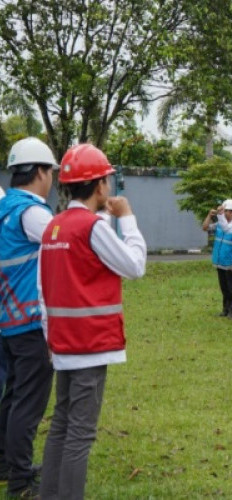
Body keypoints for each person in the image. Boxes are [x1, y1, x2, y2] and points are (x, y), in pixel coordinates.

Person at [39, 143, 146, 499]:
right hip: (89, 345)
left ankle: (49, 494)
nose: (110, 189)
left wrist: (50, 339)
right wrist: (127, 218)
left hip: (63, 344)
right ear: (99, 186)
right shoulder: (91, 228)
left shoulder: (54, 228)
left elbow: (43, 293)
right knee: (80, 434)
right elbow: (134, 266)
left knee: (61, 425)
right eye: (107, 182)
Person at [0, 137, 57, 498]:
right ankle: (20, 480)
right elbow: (67, 247)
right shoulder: (33, 213)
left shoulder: (6, 210)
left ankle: (6, 463)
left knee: (12, 396)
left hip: (8, 320)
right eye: (49, 171)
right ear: (40, 171)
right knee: (28, 403)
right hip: (31, 322)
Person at [203, 199, 232, 319]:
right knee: (224, 288)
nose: (225, 213)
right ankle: (225, 309)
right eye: (224, 211)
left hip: (229, 262)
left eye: (228, 211)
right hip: (219, 261)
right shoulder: (219, 225)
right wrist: (209, 215)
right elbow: (205, 227)